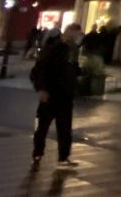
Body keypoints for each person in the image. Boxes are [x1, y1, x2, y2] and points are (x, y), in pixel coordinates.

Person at [30, 23, 82, 168]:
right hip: (51, 94)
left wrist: (76, 76)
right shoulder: (56, 48)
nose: (79, 37)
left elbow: (71, 70)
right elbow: (41, 69)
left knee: (64, 127)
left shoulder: (72, 50)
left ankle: (63, 157)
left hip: (65, 95)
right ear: (70, 32)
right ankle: (38, 153)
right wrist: (41, 89)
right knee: (43, 126)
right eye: (78, 33)